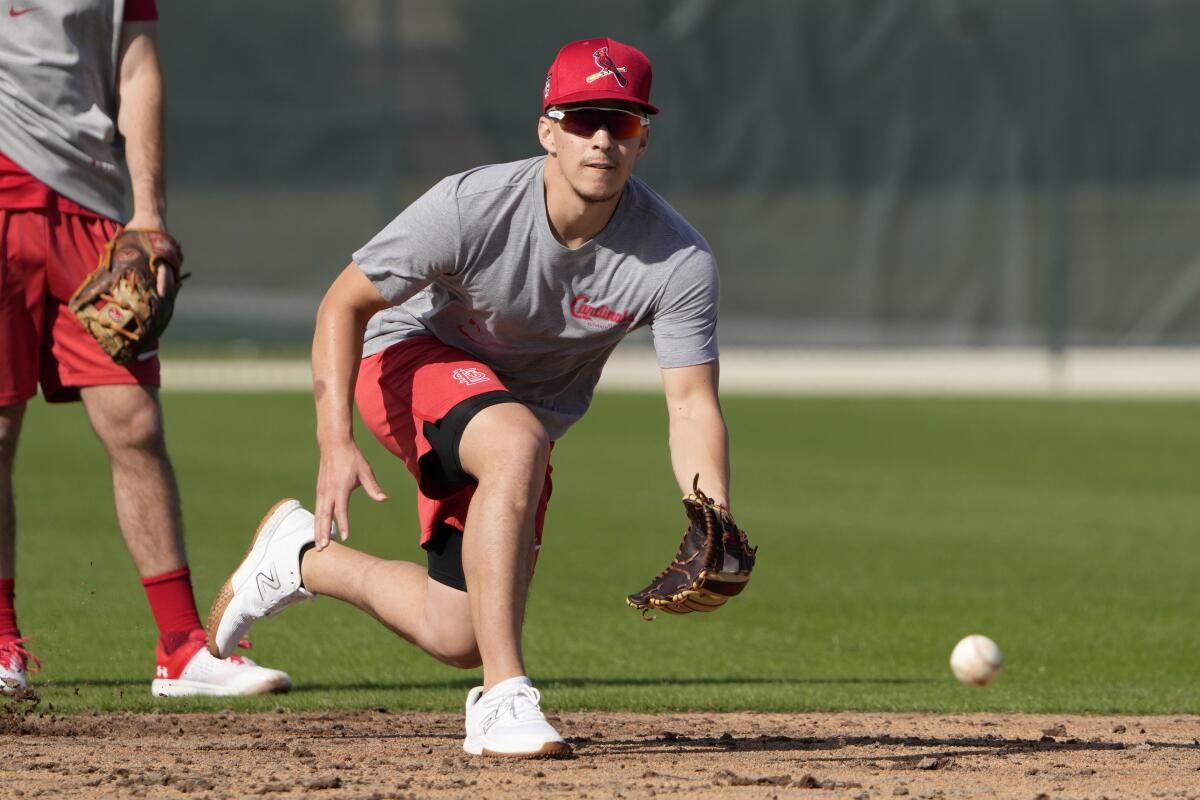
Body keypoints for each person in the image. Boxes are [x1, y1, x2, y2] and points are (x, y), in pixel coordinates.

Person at [206, 36, 734, 755]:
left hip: (511, 423)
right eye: (583, 120)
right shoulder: (474, 205)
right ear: (547, 130)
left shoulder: (677, 258)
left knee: (455, 630)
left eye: (624, 121)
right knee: (515, 441)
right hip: (402, 359)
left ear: (645, 137)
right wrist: (334, 443)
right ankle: (502, 697)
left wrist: (714, 513)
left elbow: (691, 404)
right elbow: (342, 306)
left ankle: (298, 558)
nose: (603, 140)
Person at [0, 0, 289, 696]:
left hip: (91, 212)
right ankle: (1, 644)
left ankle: (182, 649)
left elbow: (137, 68)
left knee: (135, 424)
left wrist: (149, 211)